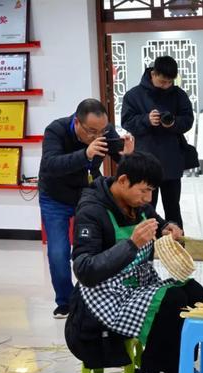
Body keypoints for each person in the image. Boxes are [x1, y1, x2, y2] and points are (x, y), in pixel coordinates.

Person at [65, 151, 203, 373]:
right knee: (171, 300)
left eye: (152, 191)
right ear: (123, 181)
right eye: (144, 191)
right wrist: (131, 244)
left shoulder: (141, 205)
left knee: (194, 292)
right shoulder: (92, 210)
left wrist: (169, 230)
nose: (148, 198)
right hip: (105, 294)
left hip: (139, 284)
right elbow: (84, 270)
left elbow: (161, 225)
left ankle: (179, 368)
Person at [38, 98, 134, 319]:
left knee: (98, 246)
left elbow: (120, 161)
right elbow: (50, 165)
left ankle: (99, 297)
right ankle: (65, 302)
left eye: (102, 130)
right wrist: (86, 154)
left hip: (87, 195)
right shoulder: (56, 130)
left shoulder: (103, 131)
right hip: (55, 197)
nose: (98, 136)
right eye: (91, 131)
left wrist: (126, 156)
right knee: (58, 252)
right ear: (77, 122)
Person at [121, 55, 194, 228]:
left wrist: (174, 122)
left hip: (171, 161)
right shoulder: (134, 95)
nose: (166, 86)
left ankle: (177, 249)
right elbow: (126, 121)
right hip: (145, 163)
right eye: (162, 81)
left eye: (170, 82)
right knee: (144, 208)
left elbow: (188, 120)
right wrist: (146, 120)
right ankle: (145, 248)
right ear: (153, 74)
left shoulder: (178, 95)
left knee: (173, 209)